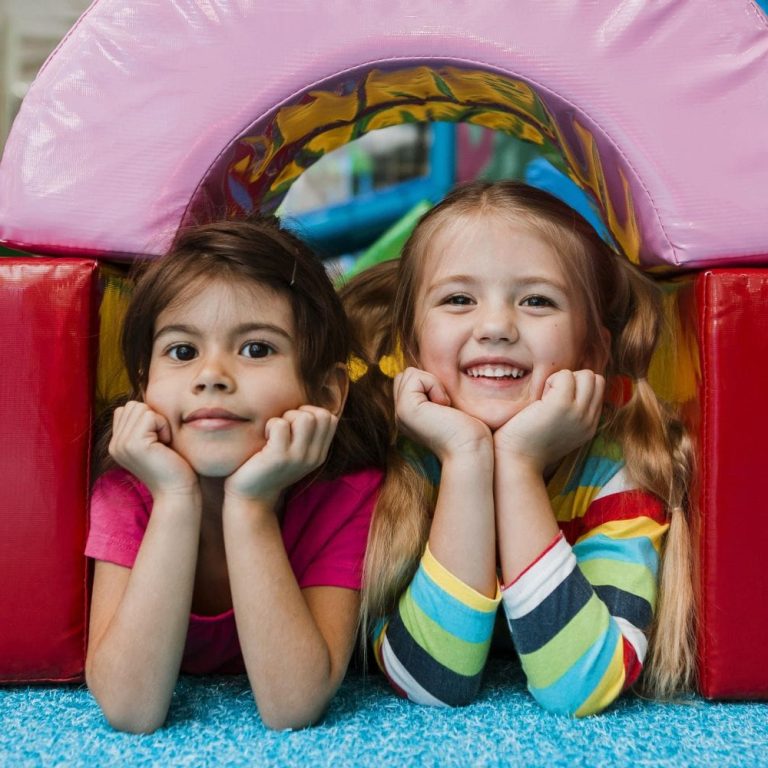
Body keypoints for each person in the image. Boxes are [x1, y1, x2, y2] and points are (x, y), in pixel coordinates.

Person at [341, 180, 695, 717]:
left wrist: (518, 465)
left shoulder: (617, 471)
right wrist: (464, 457)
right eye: (459, 299)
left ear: (593, 350)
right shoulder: (396, 464)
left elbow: (582, 687)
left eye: (537, 300)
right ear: (410, 343)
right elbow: (431, 682)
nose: (496, 327)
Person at [85, 217, 387, 733]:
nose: (211, 377)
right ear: (144, 390)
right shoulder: (130, 487)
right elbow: (130, 708)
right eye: (183, 352)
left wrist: (250, 506)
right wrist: (176, 498)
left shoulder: (346, 495)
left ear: (327, 394)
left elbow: (293, 705)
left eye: (256, 349)